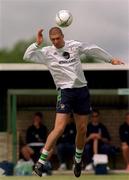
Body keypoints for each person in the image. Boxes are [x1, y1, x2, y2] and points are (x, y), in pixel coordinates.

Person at [23, 27, 124, 177]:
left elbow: (92, 49)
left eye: (58, 38)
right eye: (53, 39)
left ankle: (77, 161)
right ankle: (40, 163)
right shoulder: (47, 52)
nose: (56, 41)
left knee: (82, 129)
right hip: (65, 92)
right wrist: (37, 44)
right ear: (51, 40)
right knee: (59, 128)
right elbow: (27, 56)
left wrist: (110, 60)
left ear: (62, 36)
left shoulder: (73, 45)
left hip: (82, 91)